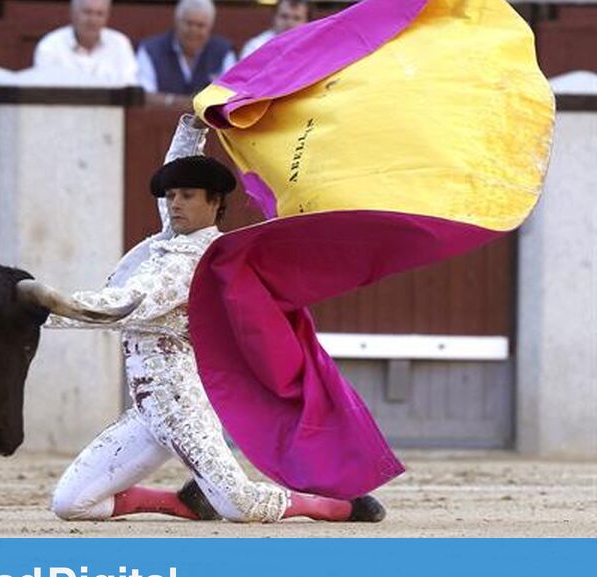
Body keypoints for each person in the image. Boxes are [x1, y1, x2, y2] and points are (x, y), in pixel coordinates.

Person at [48, 116, 386, 524]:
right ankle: (180, 503)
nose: (174, 204)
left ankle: (331, 504)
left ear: (214, 204)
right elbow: (180, 165)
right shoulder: (171, 240)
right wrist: (193, 124)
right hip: (147, 411)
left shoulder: (195, 259)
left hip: (183, 405)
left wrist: (42, 308)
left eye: (186, 196)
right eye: (170, 196)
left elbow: (127, 304)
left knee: (239, 507)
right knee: (71, 503)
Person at [136, 0, 236, 107]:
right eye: (189, 23)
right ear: (177, 22)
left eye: (200, 25)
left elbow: (231, 95)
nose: (193, 30)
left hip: (206, 123)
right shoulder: (150, 50)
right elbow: (143, 96)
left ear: (210, 27)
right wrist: (180, 102)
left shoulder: (223, 52)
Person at [33, 0, 138, 85]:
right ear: (72, 14)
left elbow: (129, 87)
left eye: (99, 14)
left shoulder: (120, 44)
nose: (93, 20)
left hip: (111, 110)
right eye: (87, 12)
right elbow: (44, 90)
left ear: (107, 17)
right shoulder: (50, 45)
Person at [241, 0, 311, 59]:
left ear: (308, 22)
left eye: (296, 18)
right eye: (284, 16)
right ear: (274, 18)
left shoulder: (312, 49)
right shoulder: (256, 47)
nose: (289, 23)